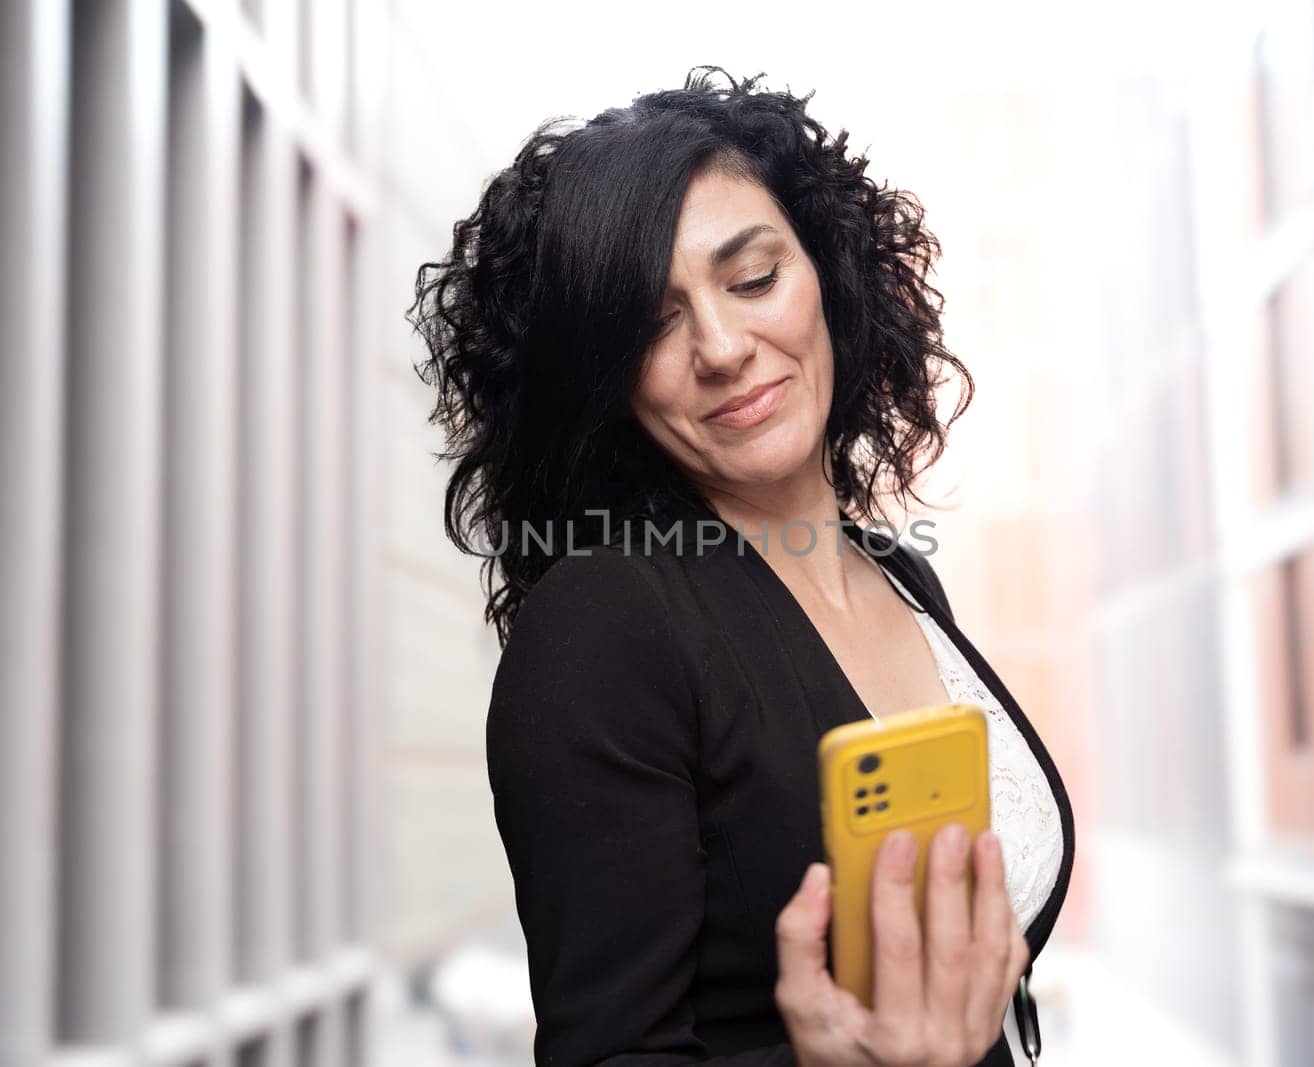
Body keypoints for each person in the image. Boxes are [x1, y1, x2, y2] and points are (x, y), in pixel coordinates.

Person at [410, 66, 1074, 1067]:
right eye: (650, 321)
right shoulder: (607, 622)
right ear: (604, 375)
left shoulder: (897, 573)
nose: (722, 346)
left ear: (828, 276)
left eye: (753, 278)